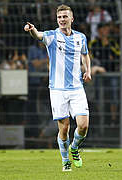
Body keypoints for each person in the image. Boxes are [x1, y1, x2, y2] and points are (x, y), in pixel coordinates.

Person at [24, 4, 92, 171]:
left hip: (77, 88)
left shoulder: (80, 37)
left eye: (65, 17)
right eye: (59, 17)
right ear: (57, 19)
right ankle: (65, 161)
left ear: (71, 18)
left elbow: (85, 54)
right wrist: (32, 30)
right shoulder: (52, 36)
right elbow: (38, 35)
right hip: (57, 89)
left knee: (83, 125)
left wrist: (88, 70)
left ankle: (74, 148)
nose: (62, 20)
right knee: (65, 127)